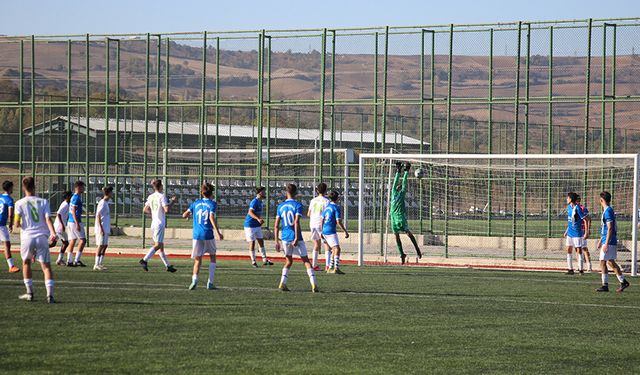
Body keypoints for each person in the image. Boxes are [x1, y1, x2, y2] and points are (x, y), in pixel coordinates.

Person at [14, 177, 57, 303]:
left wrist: (25, 225)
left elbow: (16, 223)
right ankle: (50, 296)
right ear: (34, 187)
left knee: (26, 263)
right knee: (46, 267)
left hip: (27, 237)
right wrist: (53, 233)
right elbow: (48, 219)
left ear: (23, 188)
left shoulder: (19, 203)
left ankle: (30, 293)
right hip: (41, 237)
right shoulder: (43, 202)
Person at [274, 183, 318, 293]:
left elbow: (276, 225)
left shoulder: (280, 206)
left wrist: (276, 241)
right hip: (295, 237)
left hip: (284, 237)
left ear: (286, 193)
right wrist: (297, 237)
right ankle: (314, 284)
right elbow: (296, 221)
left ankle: (282, 283)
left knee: (288, 261)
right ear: (296, 193)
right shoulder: (298, 205)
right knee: (306, 261)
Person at [183, 183, 223, 290]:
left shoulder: (195, 203)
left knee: (198, 259)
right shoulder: (212, 204)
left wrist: (189, 216)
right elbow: (210, 217)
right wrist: (218, 232)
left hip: (197, 235)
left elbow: (184, 215)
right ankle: (210, 282)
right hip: (208, 234)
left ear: (202, 192)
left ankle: (194, 280)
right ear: (211, 193)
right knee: (213, 257)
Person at [139, 179, 177, 273]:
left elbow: (145, 209)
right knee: (158, 245)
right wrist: (172, 202)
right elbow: (166, 210)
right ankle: (144, 260)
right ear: (160, 186)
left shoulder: (151, 196)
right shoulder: (162, 196)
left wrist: (153, 213)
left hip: (154, 223)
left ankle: (168, 266)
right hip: (159, 223)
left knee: (161, 245)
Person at [595, 191, 630, 293]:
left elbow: (610, 228)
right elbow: (606, 228)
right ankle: (623, 282)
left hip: (609, 242)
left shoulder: (608, 211)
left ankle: (605, 285)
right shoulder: (607, 210)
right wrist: (601, 240)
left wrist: (605, 243)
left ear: (602, 200)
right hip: (607, 240)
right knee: (610, 262)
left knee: (603, 262)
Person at [390, 162, 422, 264]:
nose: (398, 187)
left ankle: (417, 249)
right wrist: (398, 171)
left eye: (399, 187)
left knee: (408, 233)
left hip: (400, 216)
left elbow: (403, 183)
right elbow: (395, 183)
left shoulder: (402, 193)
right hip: (393, 217)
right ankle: (402, 254)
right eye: (397, 187)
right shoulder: (393, 193)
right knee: (396, 236)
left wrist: (406, 172)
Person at [243, 186, 273, 267]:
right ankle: (253, 261)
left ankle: (264, 260)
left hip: (256, 225)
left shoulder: (260, 202)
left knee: (261, 241)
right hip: (249, 225)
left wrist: (259, 221)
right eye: (264, 192)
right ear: (260, 193)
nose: (265, 193)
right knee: (252, 243)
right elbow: (250, 212)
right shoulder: (254, 201)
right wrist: (258, 219)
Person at [321, 190, 349, 274]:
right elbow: (338, 221)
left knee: (333, 249)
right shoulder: (336, 208)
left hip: (324, 230)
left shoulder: (327, 207)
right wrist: (345, 231)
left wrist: (321, 231)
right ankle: (336, 268)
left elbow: (322, 220)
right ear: (337, 198)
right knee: (337, 249)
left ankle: (330, 268)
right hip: (331, 231)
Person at [563, 192, 589, 275]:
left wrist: (586, 232)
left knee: (578, 250)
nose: (566, 199)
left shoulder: (577, 208)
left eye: (567, 198)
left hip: (577, 233)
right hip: (570, 233)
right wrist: (566, 231)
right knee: (568, 249)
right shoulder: (568, 207)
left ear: (571, 199)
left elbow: (585, 219)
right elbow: (570, 221)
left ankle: (581, 269)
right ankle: (570, 269)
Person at [308, 182, 330, 271]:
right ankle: (328, 265)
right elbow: (327, 214)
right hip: (321, 224)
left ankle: (314, 265)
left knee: (316, 244)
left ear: (317, 190)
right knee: (326, 244)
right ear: (326, 191)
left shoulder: (313, 200)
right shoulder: (326, 201)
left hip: (313, 223)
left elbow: (308, 213)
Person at [66, 180, 86, 267]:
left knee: (73, 240)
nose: (84, 189)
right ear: (78, 187)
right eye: (82, 187)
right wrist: (77, 223)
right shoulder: (76, 197)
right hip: (75, 221)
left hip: (70, 221)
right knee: (83, 240)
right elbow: (73, 210)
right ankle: (77, 260)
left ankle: (69, 260)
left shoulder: (74, 197)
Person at [0, 180, 19, 273]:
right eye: (12, 187)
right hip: (1, 224)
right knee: (7, 244)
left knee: (6, 244)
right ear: (10, 188)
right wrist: (11, 224)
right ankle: (11, 266)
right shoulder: (9, 200)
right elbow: (11, 214)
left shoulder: (0, 197)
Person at [93, 186, 113, 271]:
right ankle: (96, 264)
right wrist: (101, 228)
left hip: (106, 228)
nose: (112, 194)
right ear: (109, 193)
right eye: (111, 192)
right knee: (100, 246)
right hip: (101, 229)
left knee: (105, 245)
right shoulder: (102, 203)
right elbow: (98, 215)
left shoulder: (106, 203)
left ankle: (100, 263)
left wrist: (109, 227)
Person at [54, 191, 72, 266]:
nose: (71, 197)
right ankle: (59, 260)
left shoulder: (66, 204)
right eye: (70, 195)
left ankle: (37, 251)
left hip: (58, 226)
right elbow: (58, 213)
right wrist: (62, 225)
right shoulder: (65, 204)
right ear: (67, 197)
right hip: (59, 227)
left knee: (53, 244)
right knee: (65, 243)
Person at [576, 195, 593, 272]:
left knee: (584, 248)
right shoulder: (573, 208)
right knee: (577, 249)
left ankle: (589, 266)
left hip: (582, 231)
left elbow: (588, 219)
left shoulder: (583, 208)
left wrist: (587, 230)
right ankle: (579, 266)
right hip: (575, 232)